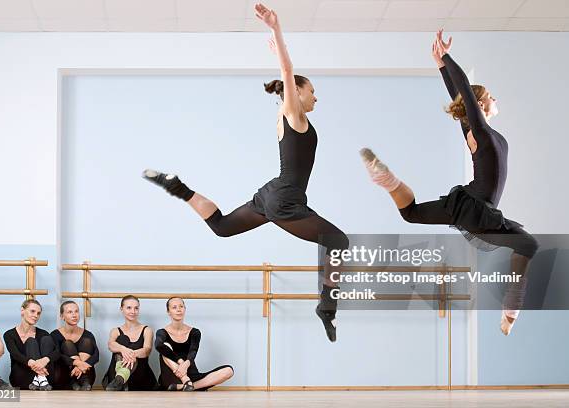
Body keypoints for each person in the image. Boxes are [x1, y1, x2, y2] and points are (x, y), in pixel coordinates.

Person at [142, 3, 348, 343]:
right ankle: (327, 306)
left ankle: (178, 188)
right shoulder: (293, 114)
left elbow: (287, 73)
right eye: (312, 90)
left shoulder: (292, 117)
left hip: (274, 193)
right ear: (296, 92)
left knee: (222, 228)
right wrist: (277, 31)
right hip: (284, 199)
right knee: (338, 241)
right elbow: (287, 67)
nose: (316, 97)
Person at [361, 30, 538, 336]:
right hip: (478, 206)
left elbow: (458, 95)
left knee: (411, 213)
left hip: (468, 203)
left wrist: (442, 67)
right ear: (480, 105)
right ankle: (511, 307)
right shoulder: (481, 131)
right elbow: (465, 93)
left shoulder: (477, 130)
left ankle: (391, 182)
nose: (494, 99)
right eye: (490, 96)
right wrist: (445, 58)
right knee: (528, 244)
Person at [155, 297, 233, 391]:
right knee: (165, 347)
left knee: (228, 371)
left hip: (191, 374)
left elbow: (193, 352)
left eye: (181, 306)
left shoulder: (195, 332)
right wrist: (180, 362)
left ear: (185, 309)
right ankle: (186, 381)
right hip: (171, 376)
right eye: (174, 307)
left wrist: (186, 365)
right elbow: (158, 346)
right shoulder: (162, 332)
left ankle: (188, 386)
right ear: (168, 312)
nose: (179, 310)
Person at [103, 295, 157, 391]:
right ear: (121, 309)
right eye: (129, 308)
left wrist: (131, 354)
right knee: (122, 339)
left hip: (139, 376)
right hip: (115, 372)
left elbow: (146, 350)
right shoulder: (115, 331)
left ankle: (120, 380)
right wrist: (124, 350)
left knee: (131, 355)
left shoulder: (146, 330)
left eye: (136, 308)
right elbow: (111, 345)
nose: (133, 311)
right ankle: (119, 379)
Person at [3, 299, 59, 390]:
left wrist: (45, 360)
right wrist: (34, 364)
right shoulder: (9, 334)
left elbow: (57, 352)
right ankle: (40, 376)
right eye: (32, 311)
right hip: (22, 376)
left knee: (47, 339)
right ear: (22, 310)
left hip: (46, 378)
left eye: (38, 313)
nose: (35, 315)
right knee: (31, 341)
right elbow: (16, 355)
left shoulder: (43, 333)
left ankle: (41, 378)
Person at [50, 301, 99, 390]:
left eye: (76, 311)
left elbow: (96, 356)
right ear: (62, 316)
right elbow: (57, 356)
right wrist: (77, 363)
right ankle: (73, 382)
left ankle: (82, 380)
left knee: (86, 341)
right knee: (67, 344)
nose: (74, 315)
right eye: (70, 312)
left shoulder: (88, 334)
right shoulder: (54, 335)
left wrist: (80, 367)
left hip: (86, 377)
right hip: (63, 376)